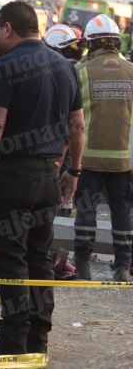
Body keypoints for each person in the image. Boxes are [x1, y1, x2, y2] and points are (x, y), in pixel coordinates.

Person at [0, 1, 84, 356]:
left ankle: (13, 339)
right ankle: (37, 338)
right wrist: (73, 171)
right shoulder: (65, 66)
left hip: (14, 174)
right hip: (49, 174)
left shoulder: (7, 66)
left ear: (8, 29)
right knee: (39, 257)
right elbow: (77, 127)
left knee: (10, 257)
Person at [72, 14, 133, 281]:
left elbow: (72, 119)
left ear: (92, 43)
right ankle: (122, 267)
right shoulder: (131, 71)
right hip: (123, 158)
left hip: (88, 158)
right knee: (122, 211)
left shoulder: (81, 71)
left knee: (85, 211)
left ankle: (83, 266)